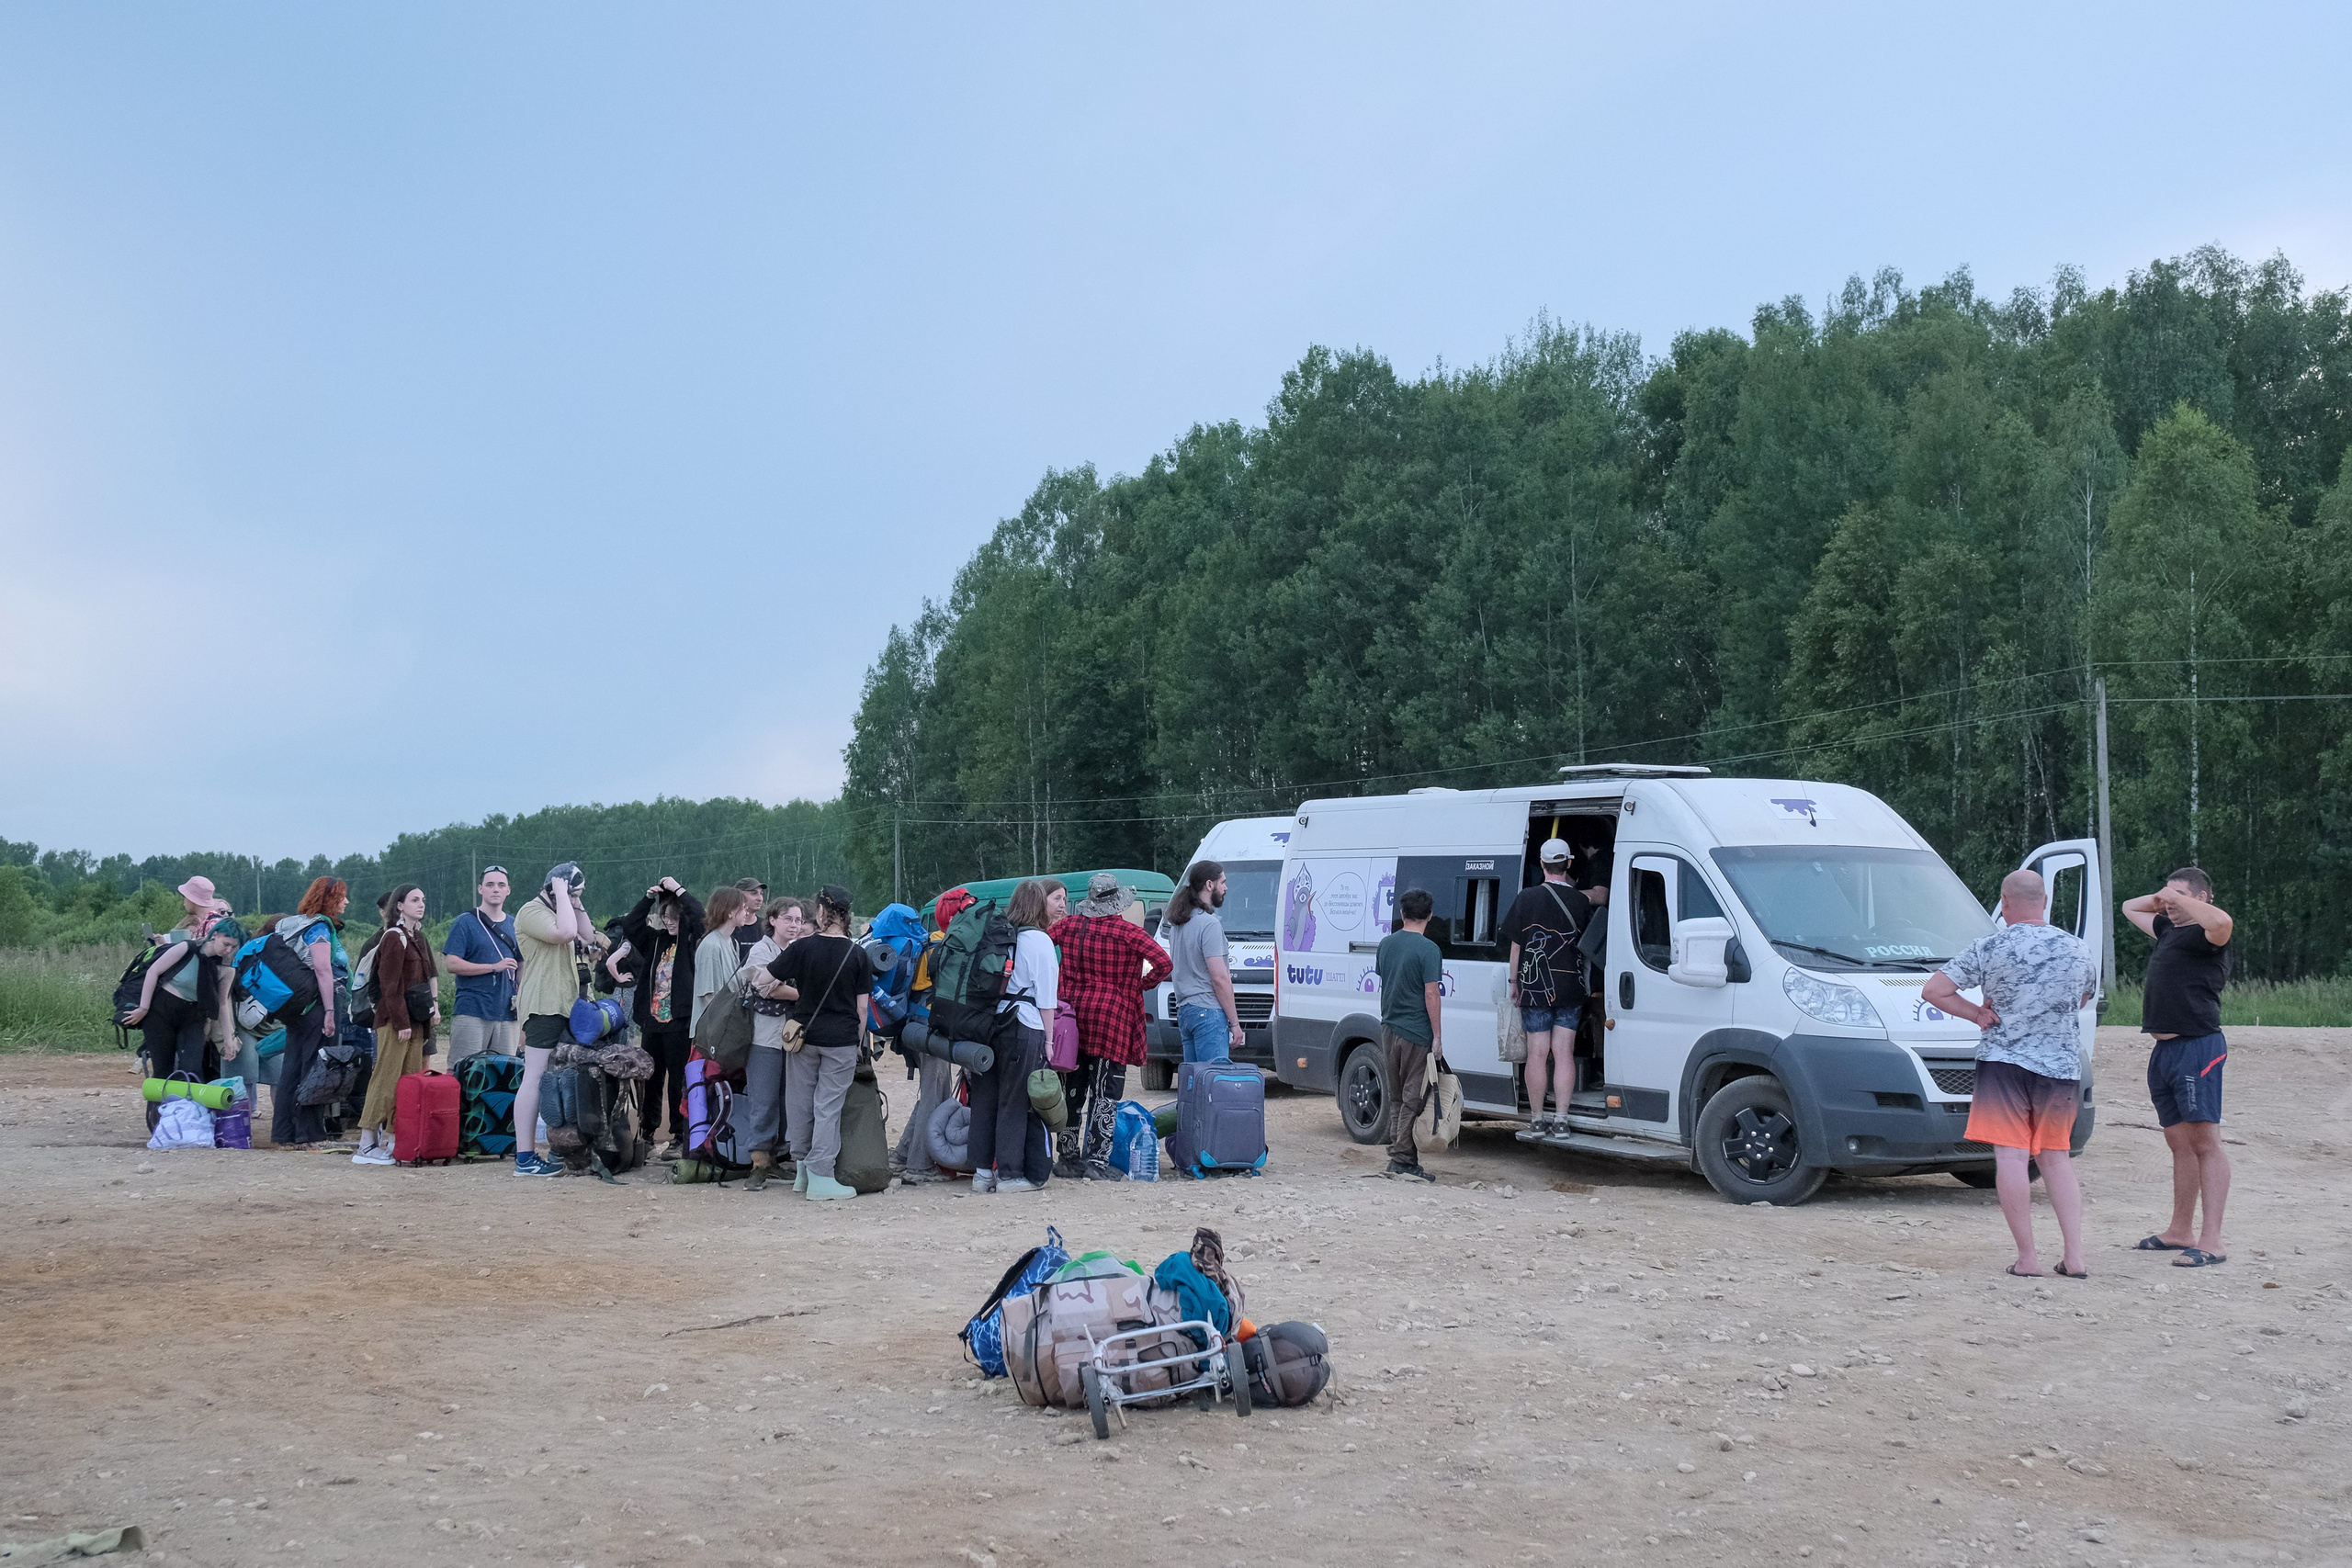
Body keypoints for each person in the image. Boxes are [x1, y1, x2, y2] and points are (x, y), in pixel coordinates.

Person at [1922, 869, 2098, 1278]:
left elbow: (1934, 990)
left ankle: (2028, 1259)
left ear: (2004, 902)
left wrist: (1977, 1013)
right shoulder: (2076, 949)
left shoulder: (1990, 946)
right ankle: (2075, 1257)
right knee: (2056, 1159)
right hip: (2059, 1066)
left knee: (2012, 1158)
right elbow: (2084, 995)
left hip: (2004, 1062)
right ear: (2046, 902)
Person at [2122, 866, 2236, 1268]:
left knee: (2205, 1141)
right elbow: (2128, 907)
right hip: (2164, 1051)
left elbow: (2222, 920)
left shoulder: (2210, 935)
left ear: (2202, 898)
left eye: (2180, 896)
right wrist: (2164, 899)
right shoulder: (2170, 929)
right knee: (2178, 1142)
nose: (2169, 903)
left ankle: (2213, 1241)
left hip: (2198, 1046)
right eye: (2167, 897)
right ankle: (2180, 1230)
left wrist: (2179, 900)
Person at [1051, 872, 1172, 1179]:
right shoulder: (1128, 933)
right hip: (1112, 1018)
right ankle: (1097, 1162)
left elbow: (1039, 942)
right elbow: (1164, 963)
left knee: (1071, 1089)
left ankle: (1067, 1158)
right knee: (1105, 1092)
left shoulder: (1067, 926)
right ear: (1117, 902)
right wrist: (1139, 984)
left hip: (1072, 1019)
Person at [763, 884, 873, 1201]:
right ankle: (821, 1176)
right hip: (840, 1040)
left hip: (803, 1037)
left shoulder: (801, 948)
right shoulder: (858, 954)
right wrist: (857, 1041)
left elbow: (769, 976)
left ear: (821, 912)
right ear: (846, 916)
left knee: (799, 1102)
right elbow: (862, 1007)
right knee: (828, 1106)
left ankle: (801, 1170)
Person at [959, 877, 1058, 1194]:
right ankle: (1010, 1174)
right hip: (1024, 1025)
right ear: (1040, 906)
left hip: (988, 1026)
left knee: (985, 1099)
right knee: (1014, 1101)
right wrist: (1050, 1041)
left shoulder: (998, 935)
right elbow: (1046, 1000)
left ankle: (981, 1173)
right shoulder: (1041, 941)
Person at [1498, 838, 1605, 1131]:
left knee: (1537, 1053)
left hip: (1533, 986)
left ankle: (1536, 1119)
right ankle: (1561, 1120)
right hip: (1570, 987)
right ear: (1569, 864)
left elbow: (1517, 946)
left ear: (1542, 864)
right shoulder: (1581, 901)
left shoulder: (1526, 898)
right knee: (1563, 1052)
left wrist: (1513, 981)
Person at [352, 884, 442, 1166]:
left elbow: (424, 980)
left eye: (423, 899)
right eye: (414, 900)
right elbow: (390, 986)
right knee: (386, 1079)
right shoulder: (394, 937)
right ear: (399, 906)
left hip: (415, 1022)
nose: (421, 904)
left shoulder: (418, 937)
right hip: (394, 1022)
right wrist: (401, 1021)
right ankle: (366, 1144)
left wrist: (432, 1010)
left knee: (408, 1082)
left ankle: (392, 1140)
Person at [511, 863, 590, 1177]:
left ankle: (561, 1149)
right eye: (574, 894)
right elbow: (566, 933)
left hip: (567, 1003)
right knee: (534, 1075)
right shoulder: (531, 911)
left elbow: (586, 933)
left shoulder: (564, 908)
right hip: (543, 1004)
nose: (574, 901)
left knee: (562, 1077)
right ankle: (525, 1157)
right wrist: (560, 890)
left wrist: (575, 900)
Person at [620, 876, 705, 1161]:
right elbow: (631, 926)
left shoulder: (691, 941)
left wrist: (680, 891)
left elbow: (701, 916)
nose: (670, 922)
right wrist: (647, 898)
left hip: (680, 1021)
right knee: (651, 1077)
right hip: (653, 1021)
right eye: (666, 917)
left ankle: (680, 1135)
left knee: (678, 1079)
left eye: (675, 918)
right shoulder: (655, 940)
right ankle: (646, 1131)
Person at [120, 879, 236, 1082]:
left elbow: (221, 996)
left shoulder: (205, 927)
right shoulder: (200, 931)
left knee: (183, 1068)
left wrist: (143, 1008)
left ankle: (178, 1111)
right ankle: (174, 1110)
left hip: (193, 1010)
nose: (228, 950)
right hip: (177, 1009)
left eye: (185, 897)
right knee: (179, 1069)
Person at [270, 877, 352, 1150]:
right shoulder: (318, 928)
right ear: (329, 899)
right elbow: (322, 969)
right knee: (318, 1068)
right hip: (319, 1002)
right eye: (342, 897)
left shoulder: (292, 924)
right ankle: (312, 1135)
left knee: (292, 1067)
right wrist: (330, 1010)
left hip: (296, 1004)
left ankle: (285, 1135)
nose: (346, 902)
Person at [741, 896, 815, 1190]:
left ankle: (776, 1160)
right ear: (772, 920)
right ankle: (758, 1162)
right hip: (765, 1038)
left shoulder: (799, 950)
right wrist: (806, 994)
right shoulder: (761, 950)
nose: (795, 925)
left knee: (788, 1101)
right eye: (788, 919)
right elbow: (767, 988)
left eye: (798, 920)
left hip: (794, 1039)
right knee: (764, 1100)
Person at [1376, 886, 1445, 1182]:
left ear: (1402, 914)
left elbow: (1386, 979)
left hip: (1388, 1028)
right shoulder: (1429, 950)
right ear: (1429, 916)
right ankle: (1403, 1159)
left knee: (1395, 1095)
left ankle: (1398, 1152)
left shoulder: (1386, 944)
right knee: (1413, 1097)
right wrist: (1438, 1035)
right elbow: (1432, 994)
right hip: (1416, 1031)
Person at [440, 865, 520, 1066]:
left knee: (506, 1074)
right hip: (472, 1010)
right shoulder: (465, 922)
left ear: (508, 890)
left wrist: (522, 992)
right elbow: (452, 963)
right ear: (480, 889)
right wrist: (493, 967)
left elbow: (521, 962)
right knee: (466, 1072)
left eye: (501, 885)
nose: (495, 889)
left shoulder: (515, 924)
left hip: (507, 1014)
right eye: (490, 884)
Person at [1166, 860, 1244, 1063]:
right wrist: (1235, 1023)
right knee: (1213, 1082)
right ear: (1210, 885)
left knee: (1194, 1084)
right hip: (1208, 1012)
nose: (1226, 887)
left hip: (1185, 1010)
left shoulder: (1178, 923)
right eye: (1223, 882)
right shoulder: (1209, 925)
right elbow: (1219, 978)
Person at [690, 886, 755, 1037]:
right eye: (743, 908)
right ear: (730, 912)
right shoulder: (711, 946)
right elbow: (709, 997)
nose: (747, 913)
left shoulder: (732, 943)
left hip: (727, 1031)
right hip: (712, 1036)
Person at [729, 877, 768, 964]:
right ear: (739, 895)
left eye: (761, 893)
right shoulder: (728, 927)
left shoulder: (766, 927)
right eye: (754, 893)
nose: (760, 898)